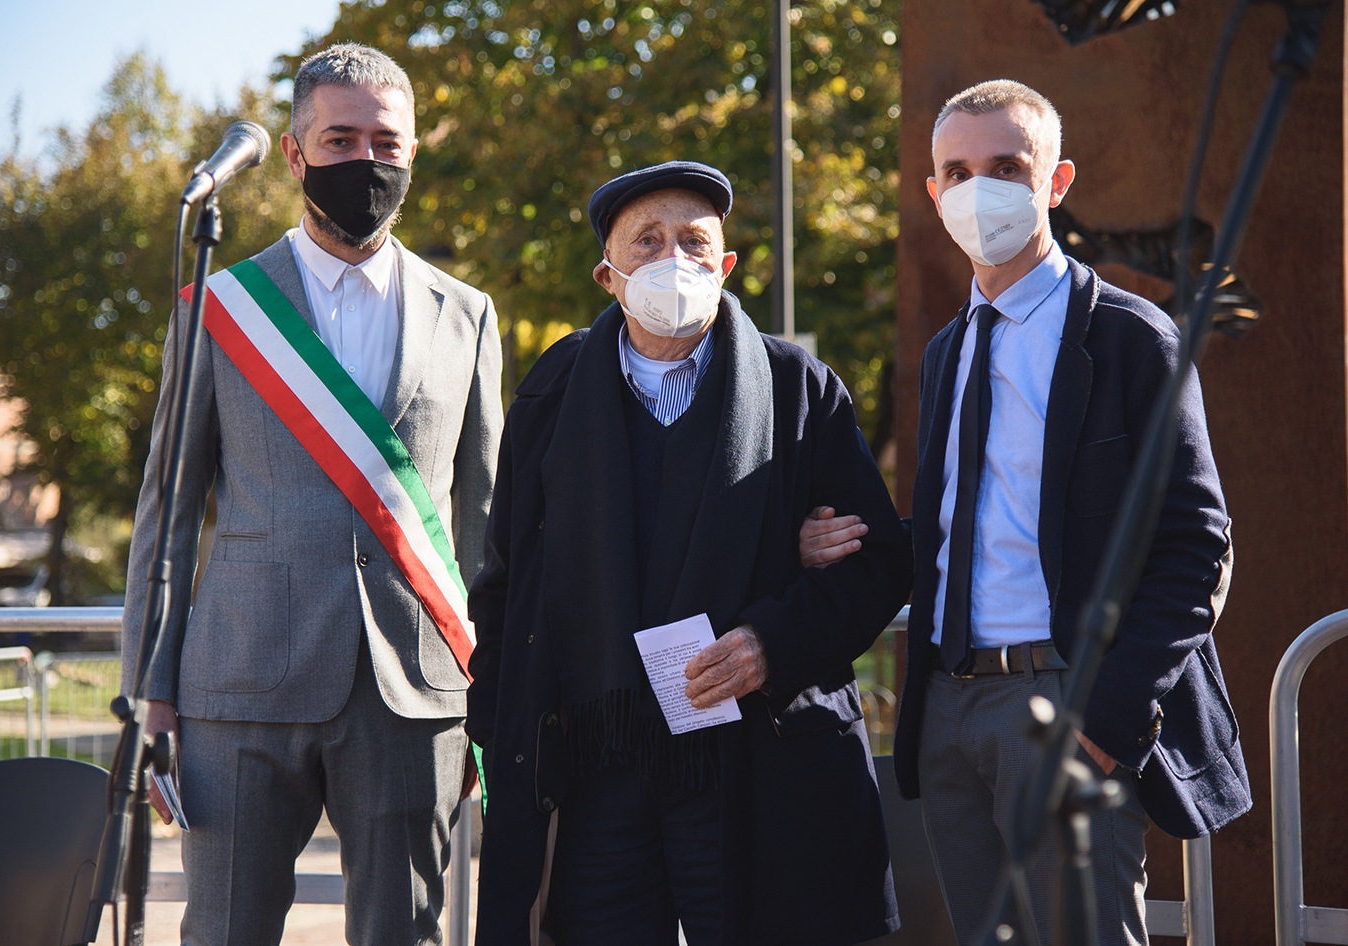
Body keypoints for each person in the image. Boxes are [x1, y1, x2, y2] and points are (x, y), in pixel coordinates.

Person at [464, 161, 914, 946]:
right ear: (608, 275)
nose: (673, 259)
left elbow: (875, 565)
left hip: (755, 759)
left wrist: (769, 642)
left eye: (694, 242)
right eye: (647, 242)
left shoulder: (797, 388)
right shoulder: (552, 391)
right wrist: (500, 734)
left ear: (726, 265)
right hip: (599, 764)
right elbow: (506, 578)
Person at [119, 43, 502, 946]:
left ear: (411, 154)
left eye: (385, 143)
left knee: (400, 934)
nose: (363, 162)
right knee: (222, 932)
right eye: (339, 140)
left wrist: (495, 688)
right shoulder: (221, 305)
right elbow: (166, 513)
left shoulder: (468, 313)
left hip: (414, 690)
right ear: (294, 155)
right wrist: (151, 690)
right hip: (239, 686)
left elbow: (485, 519)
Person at [885, 79, 1251, 945]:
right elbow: (958, 525)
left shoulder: (1129, 337)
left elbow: (1196, 545)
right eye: (958, 171)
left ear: (1056, 181)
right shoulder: (947, 350)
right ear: (934, 196)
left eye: (1006, 166)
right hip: (948, 710)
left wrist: (1106, 721)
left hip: (1061, 707)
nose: (981, 190)